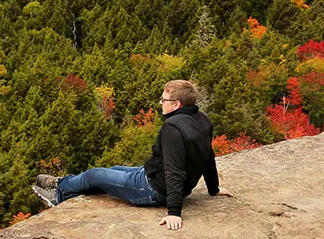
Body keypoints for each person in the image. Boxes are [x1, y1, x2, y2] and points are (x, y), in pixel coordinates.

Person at [32, 80, 221, 230]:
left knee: (94, 175)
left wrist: (174, 212)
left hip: (154, 190)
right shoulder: (202, 120)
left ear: (176, 104)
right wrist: (214, 189)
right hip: (154, 175)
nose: (160, 103)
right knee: (113, 170)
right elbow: (208, 156)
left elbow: (174, 170)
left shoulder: (172, 128)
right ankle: (64, 185)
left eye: (164, 100)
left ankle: (59, 193)